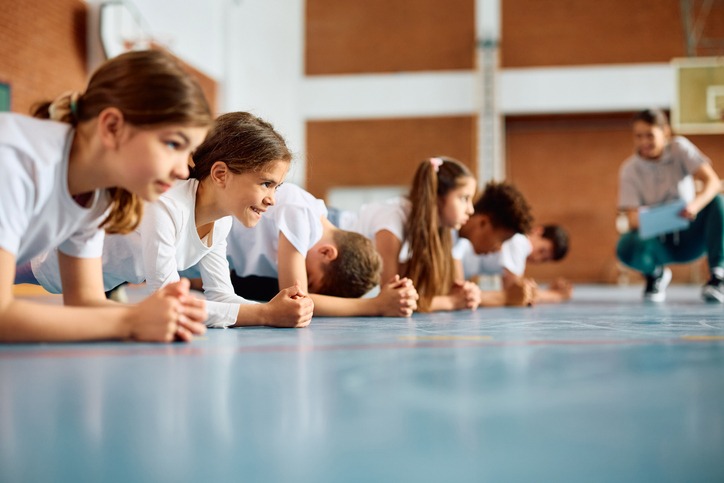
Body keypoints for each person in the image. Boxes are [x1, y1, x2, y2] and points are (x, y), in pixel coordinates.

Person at [28, 112, 314, 328]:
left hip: (90, 284)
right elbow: (168, 301)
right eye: (266, 183)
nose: (272, 199)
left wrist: (276, 308)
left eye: (276, 187)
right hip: (49, 259)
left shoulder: (221, 221)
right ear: (220, 174)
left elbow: (221, 296)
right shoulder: (166, 205)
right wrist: (264, 314)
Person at [2, 49, 212, 343]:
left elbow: (84, 301)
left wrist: (162, 315)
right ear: (112, 126)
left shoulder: (96, 195)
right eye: (174, 144)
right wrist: (131, 320)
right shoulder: (15, 161)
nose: (183, 171)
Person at [226, 182, 418, 317]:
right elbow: (296, 299)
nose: (303, 281)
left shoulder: (310, 217)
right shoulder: (301, 213)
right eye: (310, 276)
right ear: (327, 253)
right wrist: (376, 305)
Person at [339, 157, 480, 312]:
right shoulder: (392, 219)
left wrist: (466, 293)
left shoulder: (441, 232)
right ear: (438, 198)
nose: (470, 209)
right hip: (335, 226)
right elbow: (392, 300)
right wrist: (452, 302)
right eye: (464, 198)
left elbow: (443, 290)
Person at [616, 108, 724, 302]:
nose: (644, 142)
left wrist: (694, 206)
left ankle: (718, 276)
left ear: (665, 131)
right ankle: (655, 274)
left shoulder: (679, 148)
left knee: (717, 202)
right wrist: (665, 217)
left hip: (691, 236)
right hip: (659, 242)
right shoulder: (629, 170)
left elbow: (713, 182)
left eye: (649, 135)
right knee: (626, 246)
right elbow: (633, 219)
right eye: (638, 136)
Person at [456, 180, 537, 306]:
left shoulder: (460, 244)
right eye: (502, 240)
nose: (499, 249)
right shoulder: (447, 233)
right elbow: (456, 297)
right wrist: (505, 297)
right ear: (484, 222)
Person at [460, 224, 572, 305]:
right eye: (541, 251)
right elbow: (518, 292)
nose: (537, 258)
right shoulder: (520, 242)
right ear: (538, 231)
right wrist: (556, 295)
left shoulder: (517, 241)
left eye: (544, 259)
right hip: (458, 264)